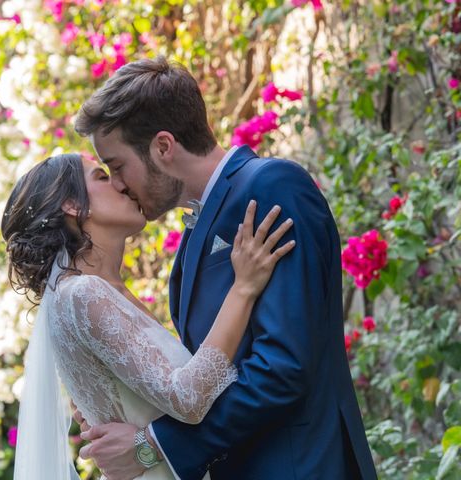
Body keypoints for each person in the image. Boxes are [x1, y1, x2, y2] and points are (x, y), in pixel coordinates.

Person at [71, 56, 378, 480]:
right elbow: (204, 373)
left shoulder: (271, 187)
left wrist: (154, 446)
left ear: (163, 147)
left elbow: (282, 368)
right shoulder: (192, 240)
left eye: (117, 165)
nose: (118, 183)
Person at [1, 153, 295, 479]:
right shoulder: (82, 295)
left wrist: (144, 441)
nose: (120, 185)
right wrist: (243, 288)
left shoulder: (99, 293)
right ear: (72, 205)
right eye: (101, 176)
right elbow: (188, 397)